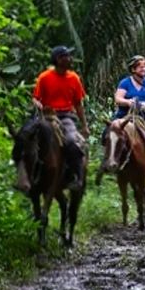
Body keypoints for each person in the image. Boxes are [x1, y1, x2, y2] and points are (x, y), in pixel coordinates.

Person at [32, 45, 90, 191]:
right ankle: (28, 177)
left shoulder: (74, 78)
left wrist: (84, 125)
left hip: (66, 117)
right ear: (59, 59)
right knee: (28, 139)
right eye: (67, 56)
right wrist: (40, 106)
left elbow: (78, 103)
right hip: (47, 115)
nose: (70, 59)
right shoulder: (44, 77)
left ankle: (75, 176)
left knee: (72, 142)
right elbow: (35, 98)